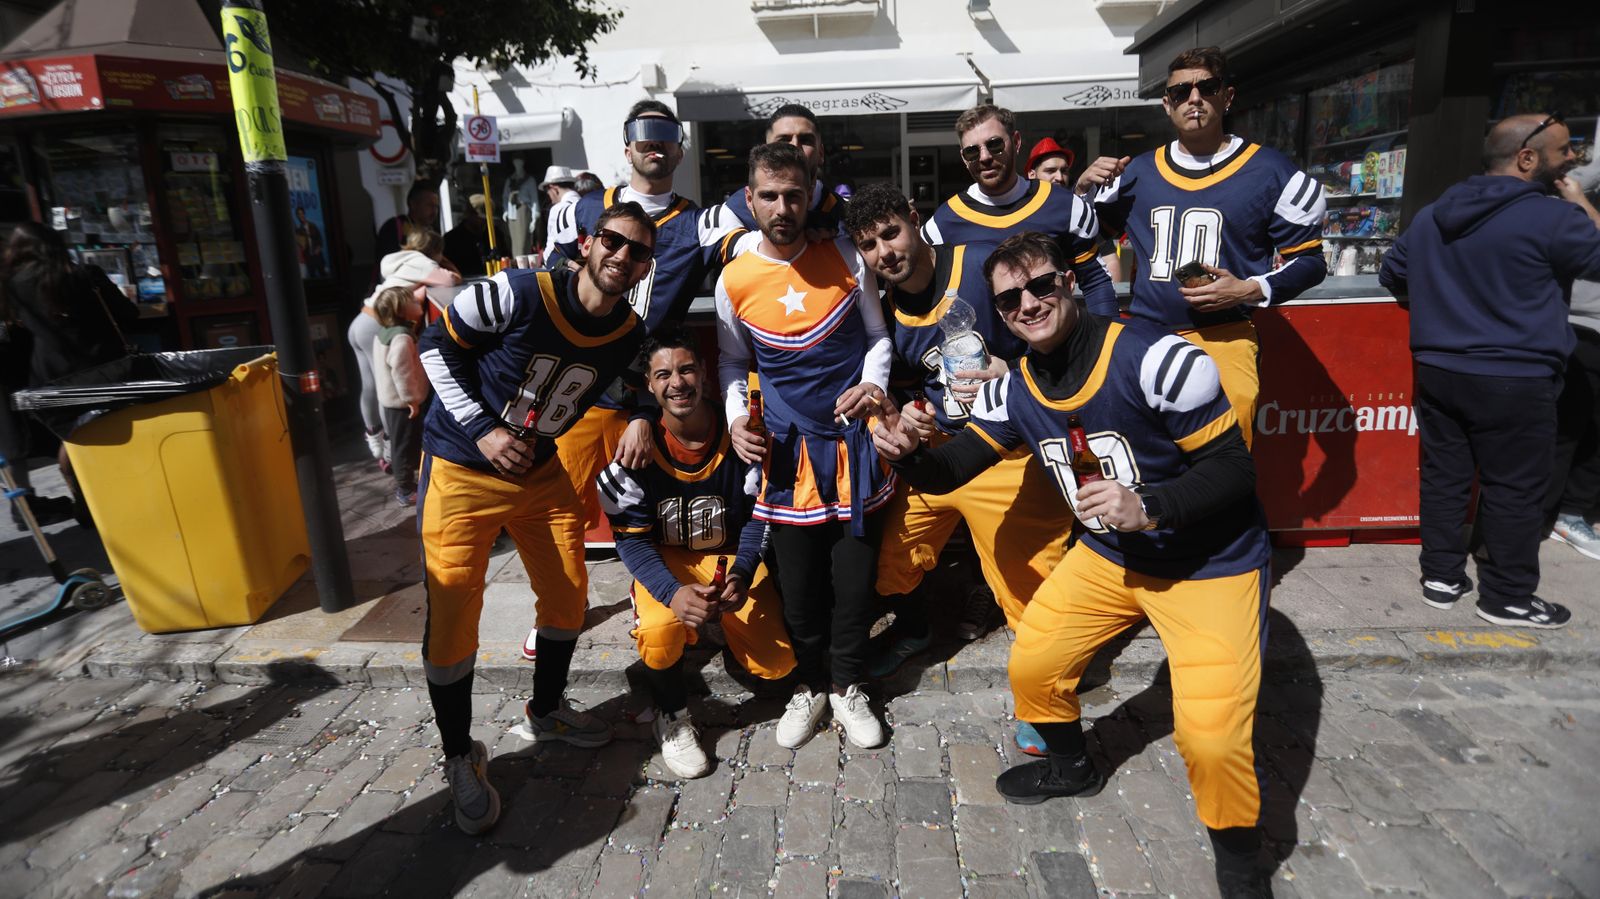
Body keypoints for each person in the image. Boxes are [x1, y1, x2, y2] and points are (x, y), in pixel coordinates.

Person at [873, 231, 1272, 897]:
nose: (1028, 303)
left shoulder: (1160, 360)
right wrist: (904, 451)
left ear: (1070, 282)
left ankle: (1239, 862)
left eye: (1040, 285)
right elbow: (948, 470)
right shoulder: (1015, 386)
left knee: (1211, 738)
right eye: (1009, 299)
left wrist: (1152, 504)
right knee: (1033, 662)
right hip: (1111, 556)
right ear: (997, 313)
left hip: (1209, 561)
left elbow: (1236, 470)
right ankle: (1070, 765)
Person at [416, 201, 656, 835]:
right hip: (464, 470)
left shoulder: (628, 330)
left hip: (540, 472)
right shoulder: (517, 293)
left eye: (637, 251)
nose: (621, 257)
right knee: (452, 620)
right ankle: (459, 754)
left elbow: (638, 380)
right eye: (612, 241)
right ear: (585, 244)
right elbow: (433, 345)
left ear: (644, 267)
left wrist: (640, 414)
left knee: (569, 599)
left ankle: (545, 709)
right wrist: (483, 429)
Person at [845, 184, 1075, 757]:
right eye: (870, 245)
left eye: (892, 233)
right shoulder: (883, 307)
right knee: (891, 562)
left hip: (1008, 449)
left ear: (915, 220)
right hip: (945, 452)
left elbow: (1064, 334)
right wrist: (914, 417)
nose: (886, 251)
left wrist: (1014, 367)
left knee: (1032, 596)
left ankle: (1048, 711)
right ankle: (917, 628)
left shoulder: (982, 264)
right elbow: (916, 385)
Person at [533, 100, 745, 664]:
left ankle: (667, 597)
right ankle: (559, 610)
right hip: (581, 388)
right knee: (563, 508)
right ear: (625, 146)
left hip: (651, 393)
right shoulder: (579, 210)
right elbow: (550, 286)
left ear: (681, 147)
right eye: (643, 136)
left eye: (666, 136)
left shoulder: (700, 220)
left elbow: (753, 247)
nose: (655, 146)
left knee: (661, 508)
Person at [1379, 113, 1600, 628]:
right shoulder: (1554, 217)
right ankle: (1506, 597)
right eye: (1564, 150)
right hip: (1516, 376)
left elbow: (1395, 273)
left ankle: (1441, 578)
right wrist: (1581, 201)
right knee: (1514, 488)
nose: (1572, 159)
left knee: (1445, 477)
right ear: (1527, 158)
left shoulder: (1434, 214)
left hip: (1439, 369)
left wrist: (1443, 314)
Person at [717, 142, 894, 750]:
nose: (783, 207)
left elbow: (878, 334)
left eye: (794, 194)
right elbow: (732, 361)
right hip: (785, 458)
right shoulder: (734, 277)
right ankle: (809, 684)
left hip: (852, 450)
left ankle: (847, 685)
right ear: (751, 200)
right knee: (797, 584)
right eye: (769, 195)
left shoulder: (846, 256)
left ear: (810, 193)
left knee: (854, 580)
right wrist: (738, 416)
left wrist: (875, 384)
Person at [1076, 47, 1327, 447]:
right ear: (1166, 104)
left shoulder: (1272, 171)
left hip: (1224, 337)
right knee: (1151, 461)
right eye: (1180, 92)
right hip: (1147, 337)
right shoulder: (1136, 172)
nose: (1193, 99)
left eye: (1206, 87)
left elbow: (1311, 262)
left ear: (1227, 96)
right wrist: (1082, 192)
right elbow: (1080, 241)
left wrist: (1251, 288)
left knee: (1226, 460)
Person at [601, 329, 796, 778]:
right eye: (663, 374)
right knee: (659, 629)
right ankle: (671, 714)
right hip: (667, 559)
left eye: (686, 369)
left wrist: (743, 573)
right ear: (649, 386)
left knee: (777, 665)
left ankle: (718, 626)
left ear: (704, 374)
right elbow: (630, 538)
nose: (677, 383)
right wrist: (669, 591)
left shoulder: (740, 437)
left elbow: (758, 517)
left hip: (724, 557)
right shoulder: (637, 447)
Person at [1, 222, 137, 526]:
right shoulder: (84, 276)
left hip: (50, 377)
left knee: (73, 438)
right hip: (104, 370)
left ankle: (85, 501)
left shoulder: (13, 286)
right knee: (114, 430)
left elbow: (15, 329)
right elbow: (129, 314)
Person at [924, 105, 1116, 319]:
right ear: (963, 158)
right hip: (985, 351)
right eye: (972, 151)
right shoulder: (942, 224)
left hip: (1056, 349)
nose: (984, 157)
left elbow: (1096, 282)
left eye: (995, 144)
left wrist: (1107, 343)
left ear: (1016, 142)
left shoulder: (1065, 205)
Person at [349, 245, 459, 472]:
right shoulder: (424, 265)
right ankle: (390, 452)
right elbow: (452, 280)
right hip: (374, 325)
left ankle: (375, 441)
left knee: (369, 386)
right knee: (384, 389)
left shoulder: (397, 266)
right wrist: (445, 262)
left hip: (360, 320)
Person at [1545, 161, 1600, 561]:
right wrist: (1580, 197)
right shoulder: (1571, 192)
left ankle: (1569, 510)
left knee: (1589, 430)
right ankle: (1559, 513)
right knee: (1570, 429)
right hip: (1582, 326)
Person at [715, 104, 847, 235]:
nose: (795, 147)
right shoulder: (733, 213)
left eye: (805, 140)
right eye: (784, 140)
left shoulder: (846, 215)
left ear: (821, 153)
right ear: (765, 152)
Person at [1027, 137, 1121, 282]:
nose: (1059, 177)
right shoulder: (1020, 212)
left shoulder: (1080, 212)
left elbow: (1110, 261)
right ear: (1032, 175)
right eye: (1050, 171)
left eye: (1064, 171)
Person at [370, 285, 430, 507]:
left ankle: (407, 483)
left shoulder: (385, 332)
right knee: (404, 445)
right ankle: (405, 489)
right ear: (402, 311)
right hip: (403, 402)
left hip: (392, 401)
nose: (419, 304)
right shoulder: (402, 338)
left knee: (401, 441)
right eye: (414, 302)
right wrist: (411, 400)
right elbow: (401, 372)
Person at [373, 182, 441, 279]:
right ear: (413, 204)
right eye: (429, 205)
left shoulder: (434, 231)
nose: (434, 211)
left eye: (436, 206)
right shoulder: (394, 227)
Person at [442, 194, 507, 278]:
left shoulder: (496, 234)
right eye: (480, 217)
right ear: (469, 215)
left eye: (487, 218)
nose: (484, 221)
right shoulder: (451, 239)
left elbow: (506, 256)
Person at [541, 166, 580, 262]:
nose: (550, 198)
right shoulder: (584, 203)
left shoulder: (557, 209)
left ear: (553, 188)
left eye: (548, 193)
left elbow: (550, 249)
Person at [294, 206, 327, 280]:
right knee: (312, 276)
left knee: (324, 275)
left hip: (318, 256)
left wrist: (318, 248)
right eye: (299, 214)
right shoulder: (299, 230)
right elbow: (302, 246)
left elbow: (320, 239)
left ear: (304, 214)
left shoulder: (313, 225)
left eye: (302, 213)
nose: (301, 215)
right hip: (309, 258)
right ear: (297, 216)